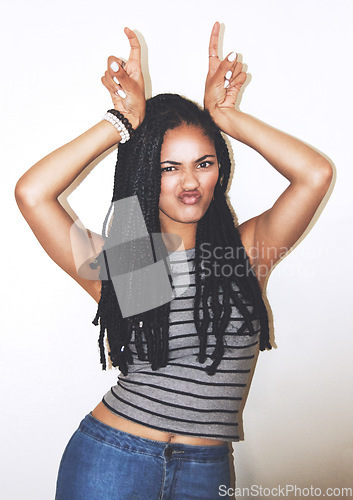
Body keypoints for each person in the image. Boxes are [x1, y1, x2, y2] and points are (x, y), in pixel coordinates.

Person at [15, 22, 333, 500]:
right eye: (169, 167)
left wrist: (226, 118)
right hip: (114, 459)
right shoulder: (135, 261)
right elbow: (32, 193)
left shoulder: (240, 255)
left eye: (204, 163)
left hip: (208, 468)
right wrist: (119, 123)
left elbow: (315, 174)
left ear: (219, 169)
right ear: (147, 172)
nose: (190, 181)